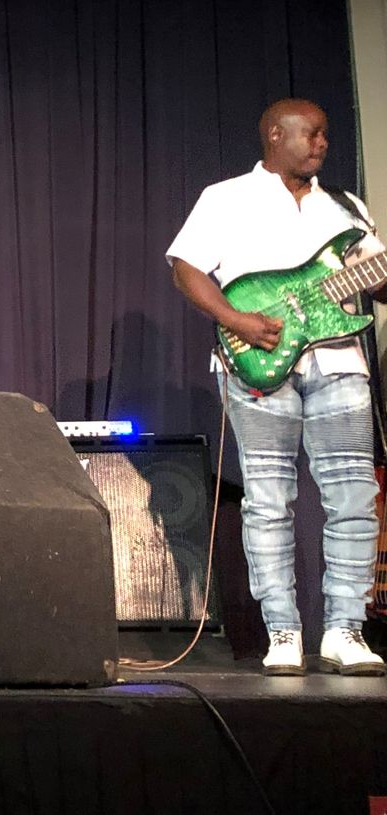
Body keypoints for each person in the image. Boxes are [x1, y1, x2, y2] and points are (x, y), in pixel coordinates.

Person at [167, 98, 385, 676]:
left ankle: (345, 630)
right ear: (275, 135)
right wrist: (236, 320)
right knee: (268, 500)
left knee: (354, 498)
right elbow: (185, 267)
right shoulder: (226, 197)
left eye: (326, 134)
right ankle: (283, 631)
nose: (322, 143)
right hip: (257, 360)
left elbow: (377, 281)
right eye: (312, 134)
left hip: (339, 364)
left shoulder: (345, 207)